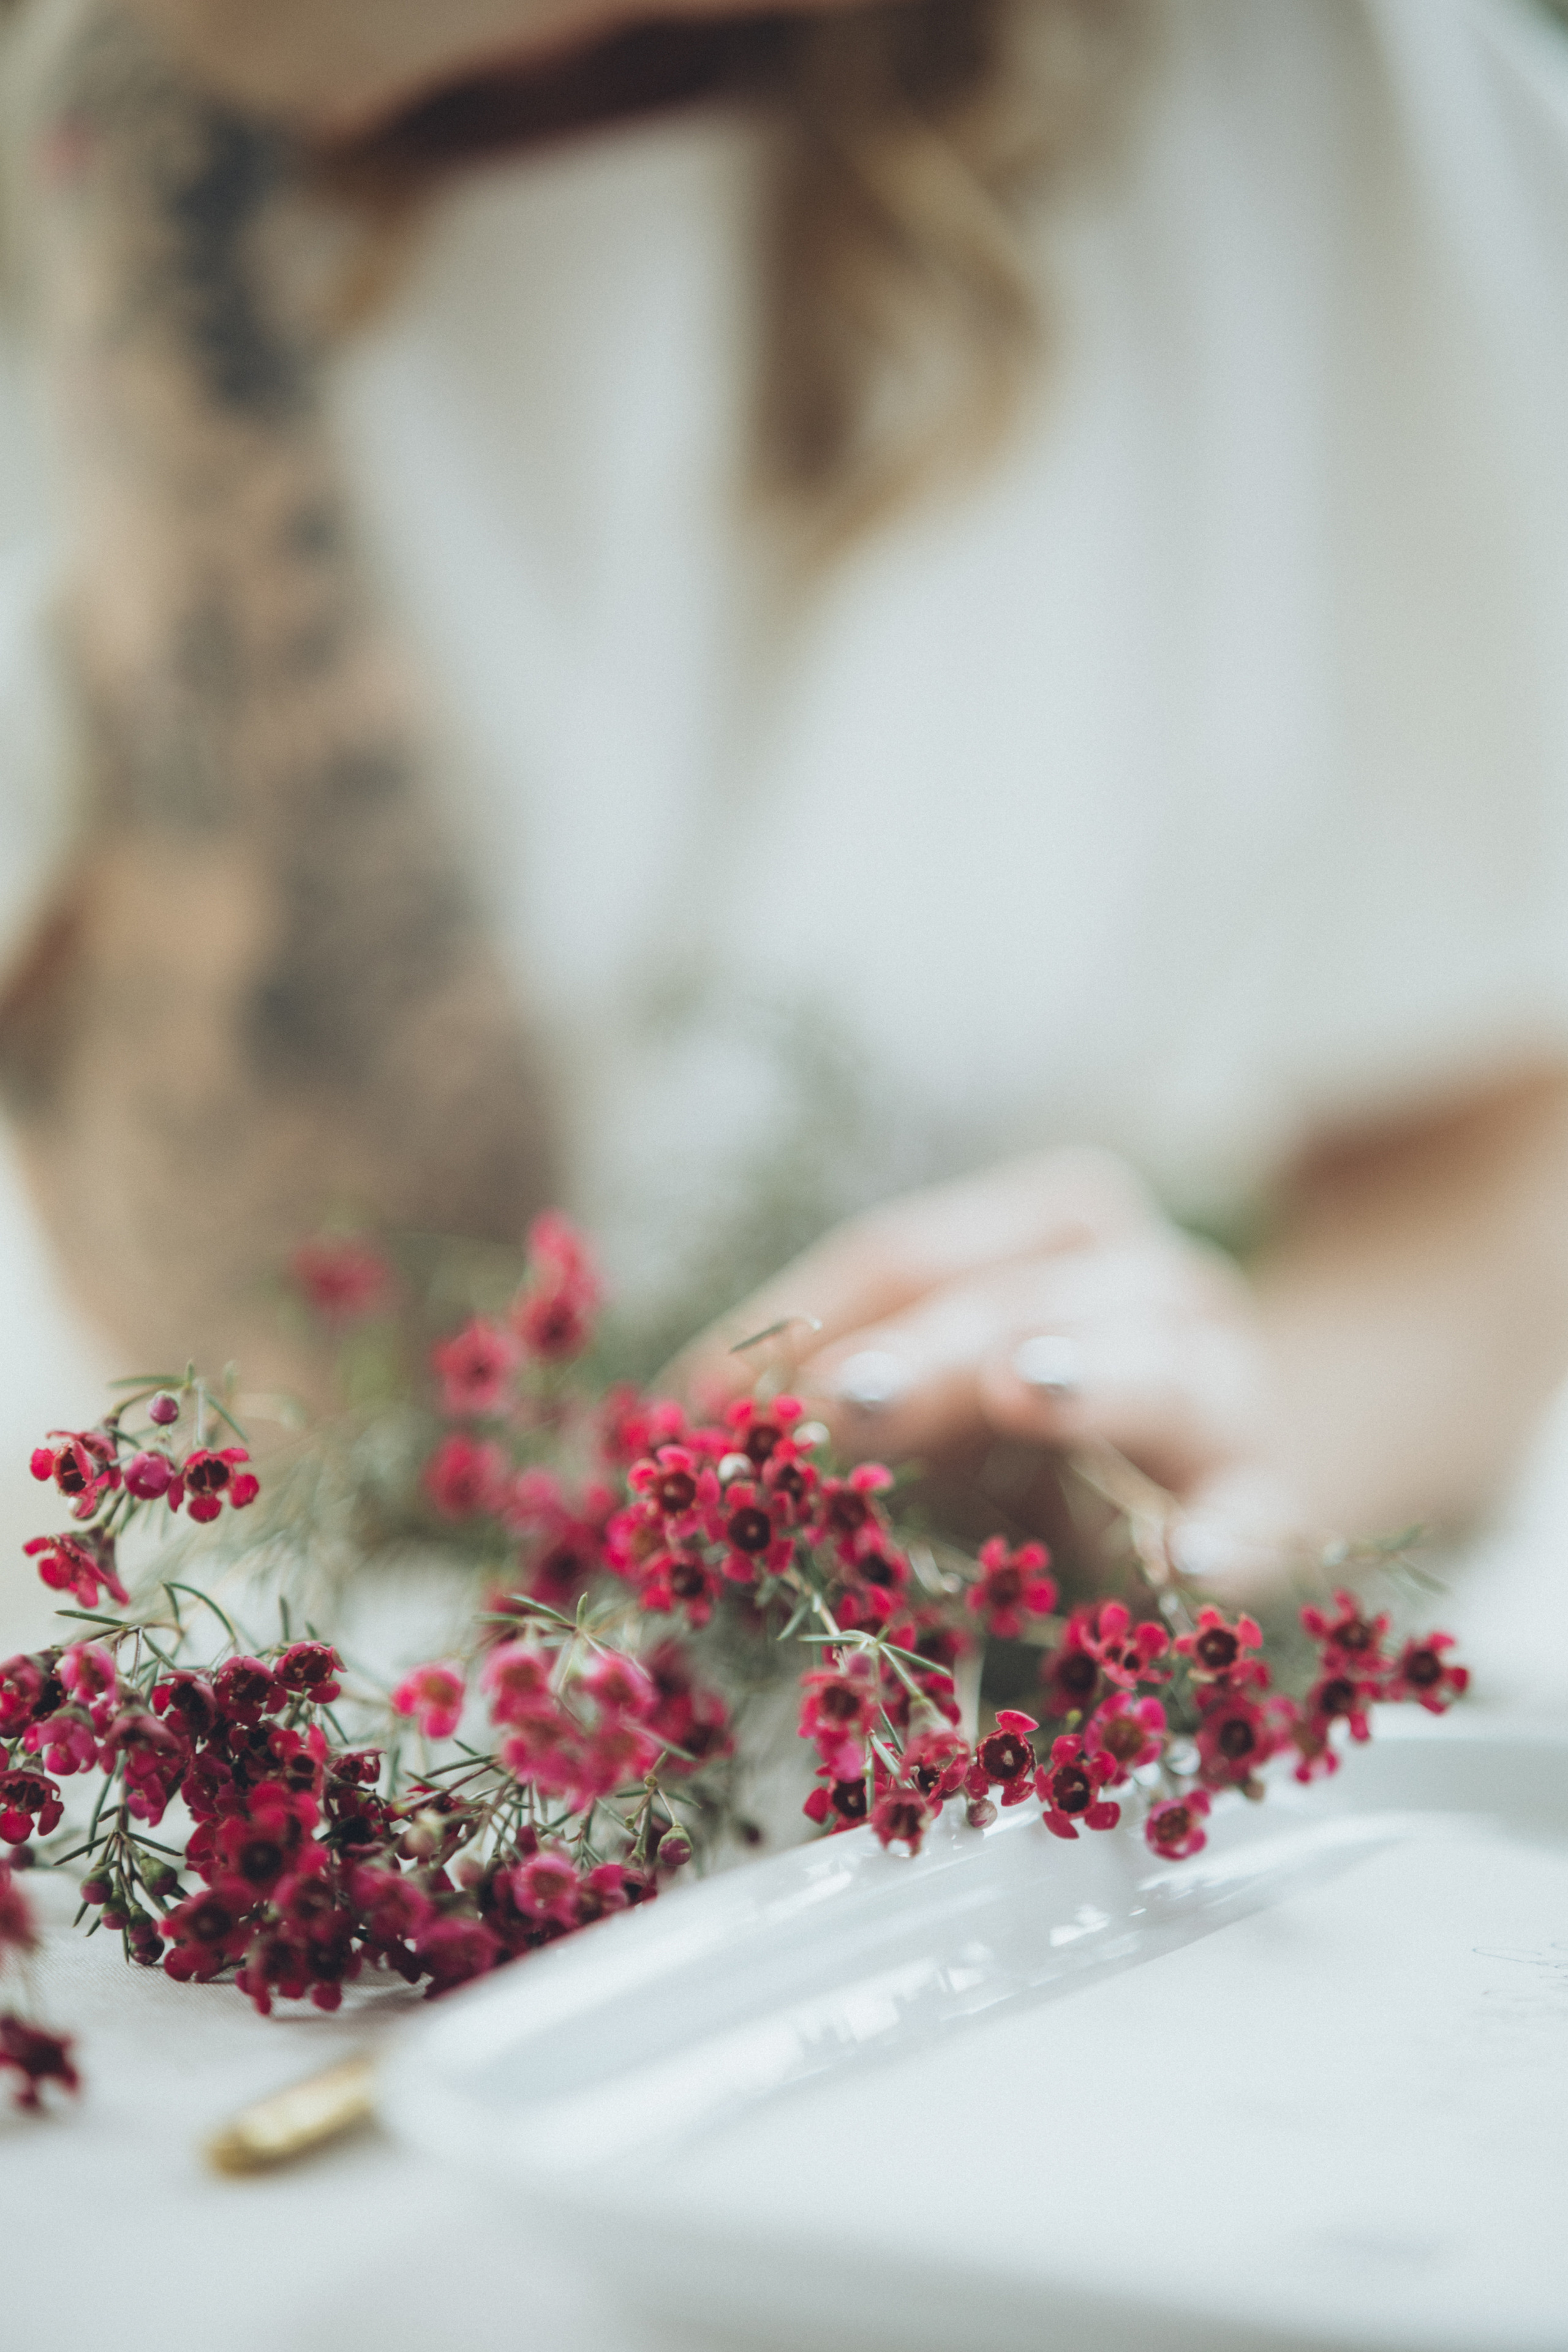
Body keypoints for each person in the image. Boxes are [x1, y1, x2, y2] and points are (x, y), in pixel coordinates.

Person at [2, 0, 1568, 1591]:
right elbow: (309, 1343)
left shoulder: (1288, 86)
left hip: (961, 1753)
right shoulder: (89, 189)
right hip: (175, 1704)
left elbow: (1492, 1166)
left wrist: (1200, 1487)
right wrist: (145, 183)